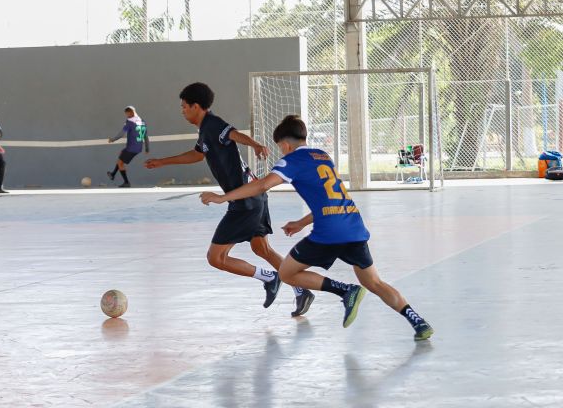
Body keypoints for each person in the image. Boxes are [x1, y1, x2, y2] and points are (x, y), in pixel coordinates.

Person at [200, 115, 434, 340]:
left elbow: (262, 186)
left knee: (286, 273)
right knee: (374, 282)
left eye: (280, 147)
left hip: (328, 233)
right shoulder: (323, 156)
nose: (281, 151)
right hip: (353, 226)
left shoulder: (291, 161)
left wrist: (223, 197)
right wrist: (302, 222)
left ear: (286, 145)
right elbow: (329, 198)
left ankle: (345, 290)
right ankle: (418, 321)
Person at [145, 83, 315, 316]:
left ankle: (270, 278)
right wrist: (162, 162)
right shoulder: (205, 130)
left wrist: (255, 144)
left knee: (216, 258)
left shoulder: (214, 124)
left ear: (196, 106)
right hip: (254, 196)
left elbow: (233, 134)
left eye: (184, 107)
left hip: (244, 200)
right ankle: (301, 290)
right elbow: (197, 153)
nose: (182, 111)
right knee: (261, 248)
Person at [107, 106, 150, 188]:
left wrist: (112, 139)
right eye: (126, 114)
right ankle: (113, 174)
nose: (127, 116)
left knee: (120, 163)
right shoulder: (142, 121)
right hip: (138, 148)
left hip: (131, 148)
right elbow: (145, 136)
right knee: (121, 153)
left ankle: (126, 182)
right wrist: (147, 148)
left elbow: (122, 134)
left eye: (128, 114)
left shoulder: (130, 122)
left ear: (132, 112)